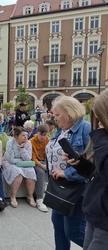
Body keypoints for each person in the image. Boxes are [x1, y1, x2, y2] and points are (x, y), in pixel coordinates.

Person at [45, 96, 90, 250]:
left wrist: (67, 173)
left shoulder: (85, 128)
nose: (54, 118)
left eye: (57, 115)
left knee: (74, 231)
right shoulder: (62, 130)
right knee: (59, 228)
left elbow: (92, 163)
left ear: (69, 113)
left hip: (77, 189)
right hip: (59, 188)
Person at [67, 90, 108, 250]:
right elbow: (99, 174)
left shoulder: (102, 139)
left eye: (100, 117)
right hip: (95, 215)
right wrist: (80, 164)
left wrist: (99, 135)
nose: (97, 123)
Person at [2, 127, 36, 208]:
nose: (26, 137)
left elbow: (28, 158)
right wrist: (20, 161)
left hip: (22, 163)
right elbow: (10, 159)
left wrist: (22, 149)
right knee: (17, 173)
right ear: (16, 136)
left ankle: (30, 196)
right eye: (23, 135)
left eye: (26, 135)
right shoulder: (10, 143)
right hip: (9, 163)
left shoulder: (28, 143)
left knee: (31, 171)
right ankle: (13, 196)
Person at [31, 124, 49, 212]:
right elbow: (33, 158)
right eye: (41, 135)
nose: (43, 137)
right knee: (41, 172)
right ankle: (39, 199)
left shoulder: (47, 140)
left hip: (44, 161)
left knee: (52, 170)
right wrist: (43, 166)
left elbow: (49, 154)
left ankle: (49, 196)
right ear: (37, 133)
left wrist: (49, 165)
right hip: (35, 162)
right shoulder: (32, 141)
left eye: (45, 135)